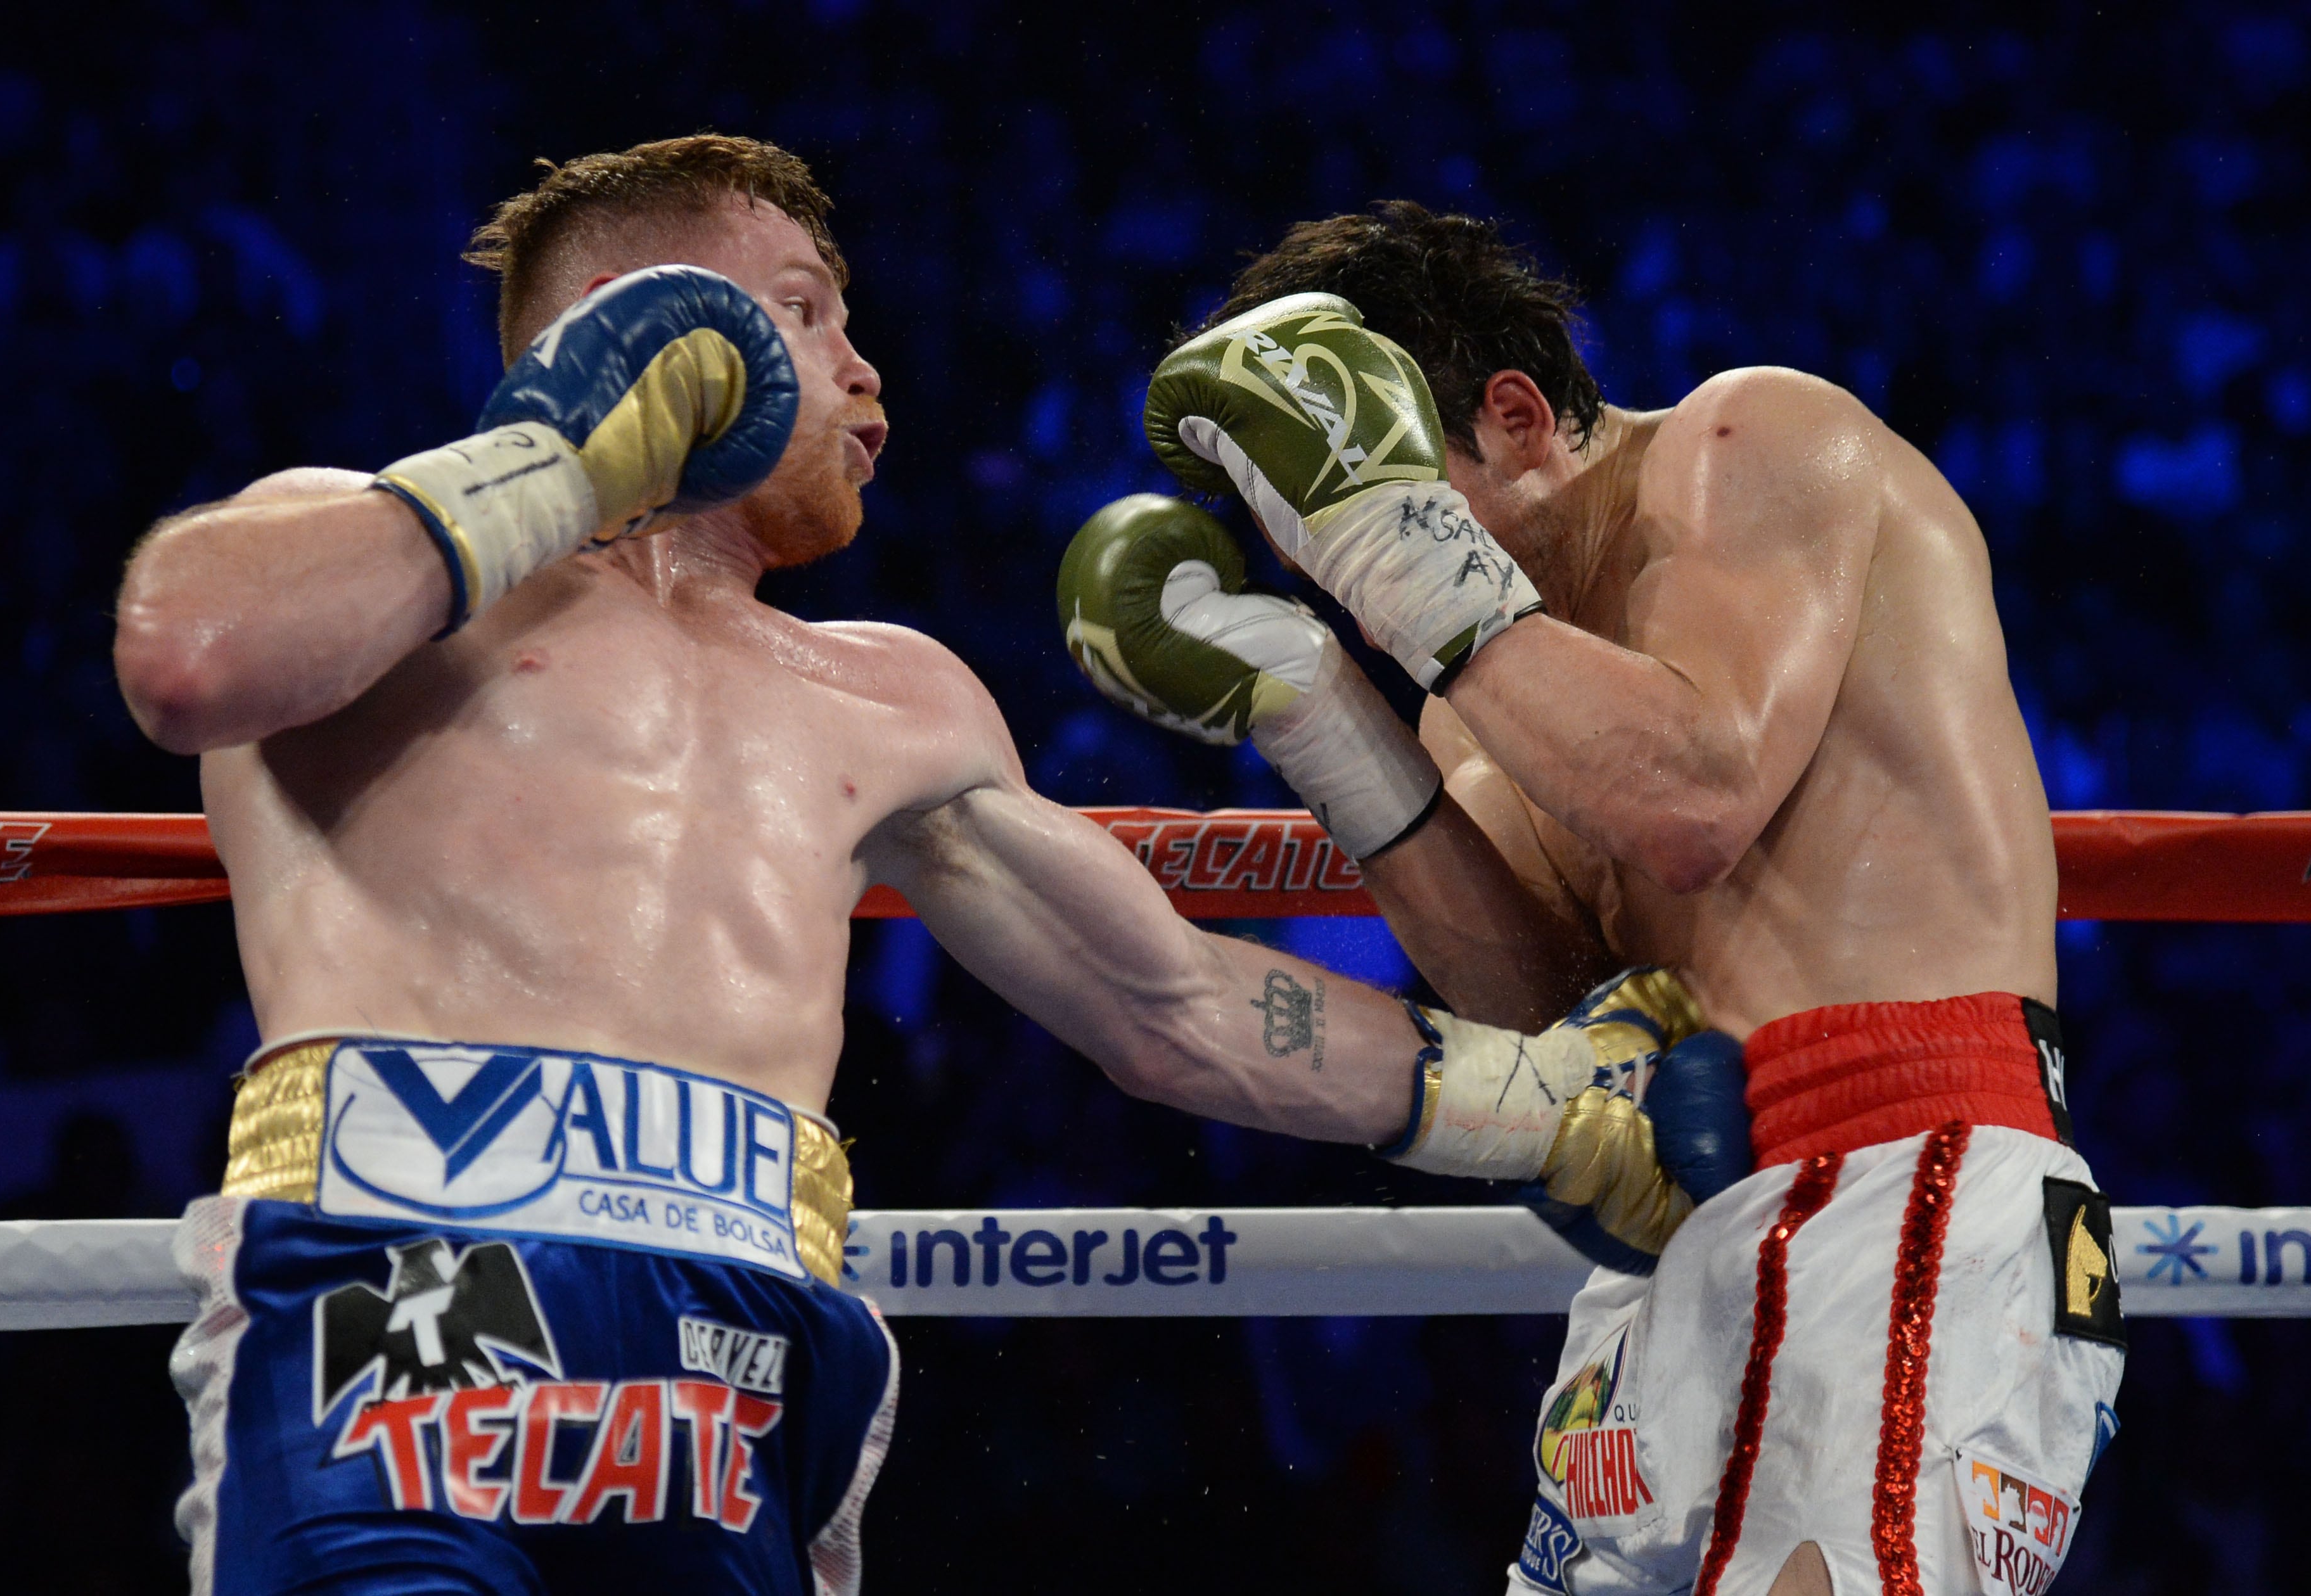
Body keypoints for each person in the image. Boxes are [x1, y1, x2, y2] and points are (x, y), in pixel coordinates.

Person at [113, 143, 1740, 1596]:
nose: (868, 373)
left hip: (734, 1333)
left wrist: (1553, 1107)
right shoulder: (373, 559)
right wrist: (559, 447)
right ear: (647, 316)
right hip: (405, 1286)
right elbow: (189, 656)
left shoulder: (886, 691)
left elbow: (1168, 1002)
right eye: (810, 312)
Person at [1065, 201, 2120, 1596]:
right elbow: (1544, 1020)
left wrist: (1403, 569)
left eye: (1368, 505)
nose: (1347, 568)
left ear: (1514, 416)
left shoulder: (1751, 440)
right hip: (1668, 1227)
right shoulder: (1480, 692)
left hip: (1900, 1168)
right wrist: (1319, 714)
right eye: (1313, 537)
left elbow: (1691, 801)